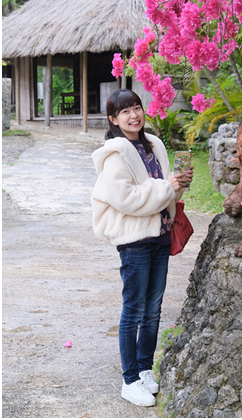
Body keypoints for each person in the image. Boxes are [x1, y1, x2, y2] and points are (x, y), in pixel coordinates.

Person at [91, 89, 194, 407]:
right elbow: (126, 199)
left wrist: (179, 184)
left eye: (136, 107)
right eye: (125, 112)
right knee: (134, 310)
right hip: (134, 242)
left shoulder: (155, 145)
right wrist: (166, 186)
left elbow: (166, 196)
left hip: (160, 236)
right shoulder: (116, 154)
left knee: (153, 310)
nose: (134, 115)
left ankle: (145, 369)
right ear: (113, 119)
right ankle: (129, 380)